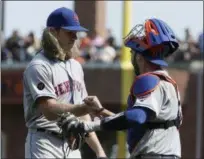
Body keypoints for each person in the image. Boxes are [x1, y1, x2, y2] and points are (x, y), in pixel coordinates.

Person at [64, 18, 183, 159]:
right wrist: (101, 111)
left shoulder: (148, 80)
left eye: (132, 52)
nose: (132, 56)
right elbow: (136, 123)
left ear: (139, 56)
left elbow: (136, 117)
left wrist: (87, 126)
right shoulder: (169, 83)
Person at [23, 7, 106, 159]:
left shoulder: (75, 66)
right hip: (44, 142)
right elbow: (49, 110)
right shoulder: (39, 65)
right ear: (53, 32)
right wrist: (83, 108)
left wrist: (99, 151)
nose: (75, 37)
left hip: (72, 144)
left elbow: (84, 118)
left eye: (76, 32)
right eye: (69, 32)